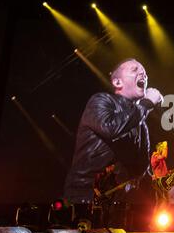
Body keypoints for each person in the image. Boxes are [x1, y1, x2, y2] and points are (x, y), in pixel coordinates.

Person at [63, 59, 163, 207]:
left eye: (145, 73)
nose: (143, 74)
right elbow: (111, 128)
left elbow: (141, 170)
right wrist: (146, 104)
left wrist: (162, 194)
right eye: (135, 70)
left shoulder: (140, 122)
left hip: (117, 203)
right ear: (117, 82)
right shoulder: (101, 101)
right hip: (84, 197)